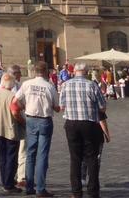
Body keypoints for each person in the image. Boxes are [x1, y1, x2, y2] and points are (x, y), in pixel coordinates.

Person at [58, 62, 107, 198]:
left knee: (75, 159)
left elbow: (61, 106)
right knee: (91, 158)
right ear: (86, 72)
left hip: (71, 124)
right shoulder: (92, 85)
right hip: (89, 124)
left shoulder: (65, 85)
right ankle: (92, 192)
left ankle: (76, 192)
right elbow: (102, 107)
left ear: (74, 71)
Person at [15, 61, 59, 197]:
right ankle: (40, 188)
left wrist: (24, 105)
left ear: (34, 71)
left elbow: (15, 101)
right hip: (45, 121)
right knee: (42, 155)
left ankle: (29, 187)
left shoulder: (26, 84)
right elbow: (57, 108)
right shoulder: (49, 86)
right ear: (46, 71)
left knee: (30, 153)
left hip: (30, 120)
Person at [0, 72, 23, 193]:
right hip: (10, 130)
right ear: (12, 83)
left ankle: (5, 180)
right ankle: (8, 185)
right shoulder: (12, 96)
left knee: (2, 157)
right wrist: (23, 122)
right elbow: (15, 113)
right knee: (11, 158)